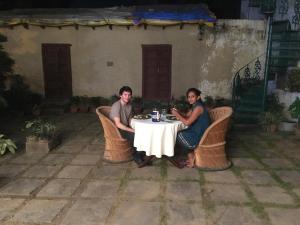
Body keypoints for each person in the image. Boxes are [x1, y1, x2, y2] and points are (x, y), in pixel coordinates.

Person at [171, 88, 210, 168]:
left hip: (200, 135)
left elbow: (187, 122)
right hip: (196, 131)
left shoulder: (198, 108)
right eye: (189, 97)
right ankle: (191, 157)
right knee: (179, 133)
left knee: (178, 135)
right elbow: (187, 116)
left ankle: (192, 158)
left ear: (198, 97)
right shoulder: (195, 106)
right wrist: (177, 112)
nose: (190, 99)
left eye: (192, 96)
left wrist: (177, 115)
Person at [109, 86, 145, 167]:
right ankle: (137, 157)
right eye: (125, 95)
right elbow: (118, 124)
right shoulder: (116, 106)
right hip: (117, 130)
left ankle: (141, 152)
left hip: (125, 126)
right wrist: (133, 131)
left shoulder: (129, 105)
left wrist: (136, 127)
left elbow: (130, 120)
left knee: (142, 131)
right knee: (136, 135)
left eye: (129, 95)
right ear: (120, 95)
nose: (127, 97)